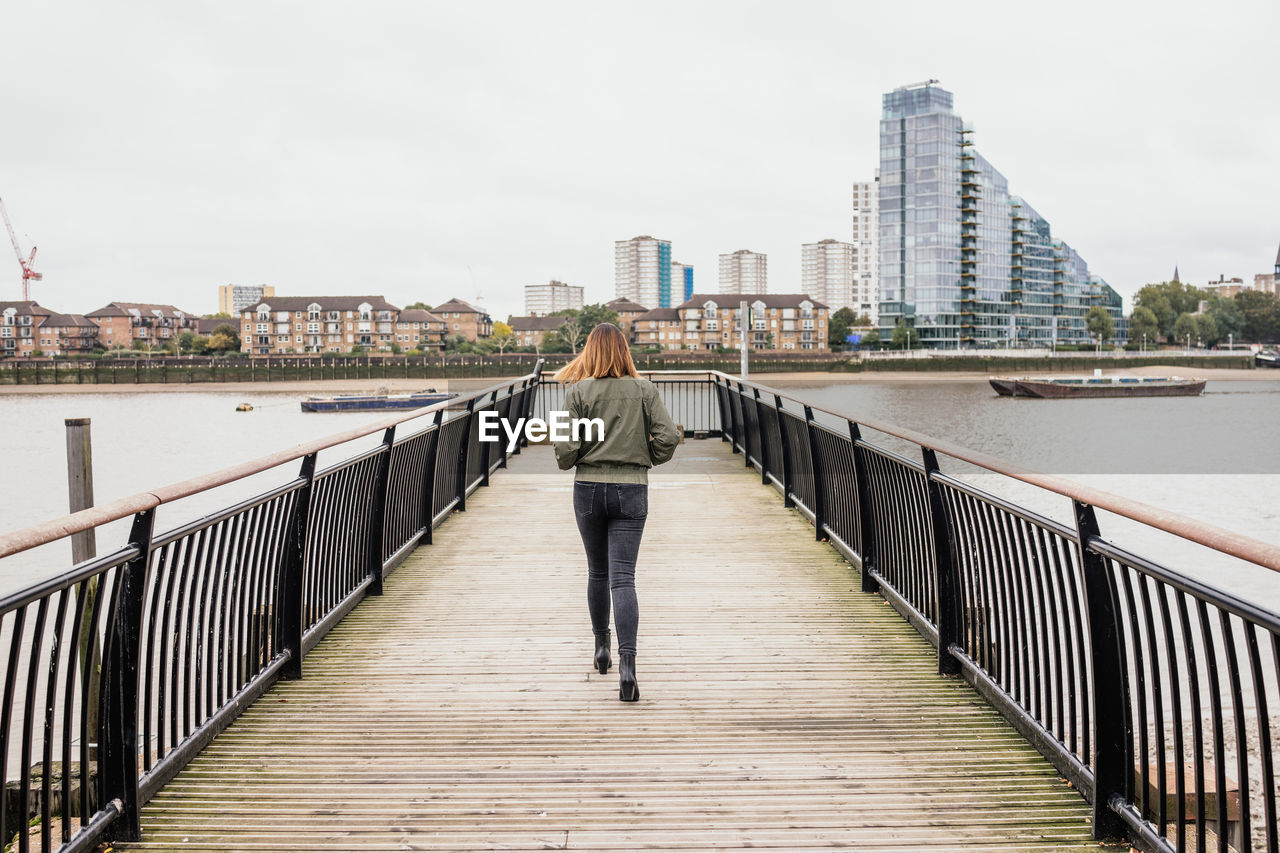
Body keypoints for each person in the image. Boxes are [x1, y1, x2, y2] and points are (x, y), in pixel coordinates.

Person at [552, 323, 680, 702]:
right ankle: (628, 667)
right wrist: (646, 459)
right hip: (632, 489)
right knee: (623, 579)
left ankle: (601, 649)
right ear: (625, 351)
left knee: (597, 572)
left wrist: (583, 456)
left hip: (588, 490)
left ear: (589, 352)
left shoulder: (576, 393)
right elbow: (669, 437)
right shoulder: (645, 390)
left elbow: (563, 453)